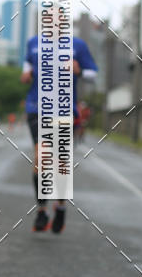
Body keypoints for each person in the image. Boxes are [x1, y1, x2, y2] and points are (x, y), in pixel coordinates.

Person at [21, 34, 98, 233]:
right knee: (41, 158)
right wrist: (26, 74)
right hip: (37, 107)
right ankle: (42, 210)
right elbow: (27, 65)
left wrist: (79, 71)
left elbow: (93, 74)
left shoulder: (78, 45)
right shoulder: (34, 42)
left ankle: (61, 207)